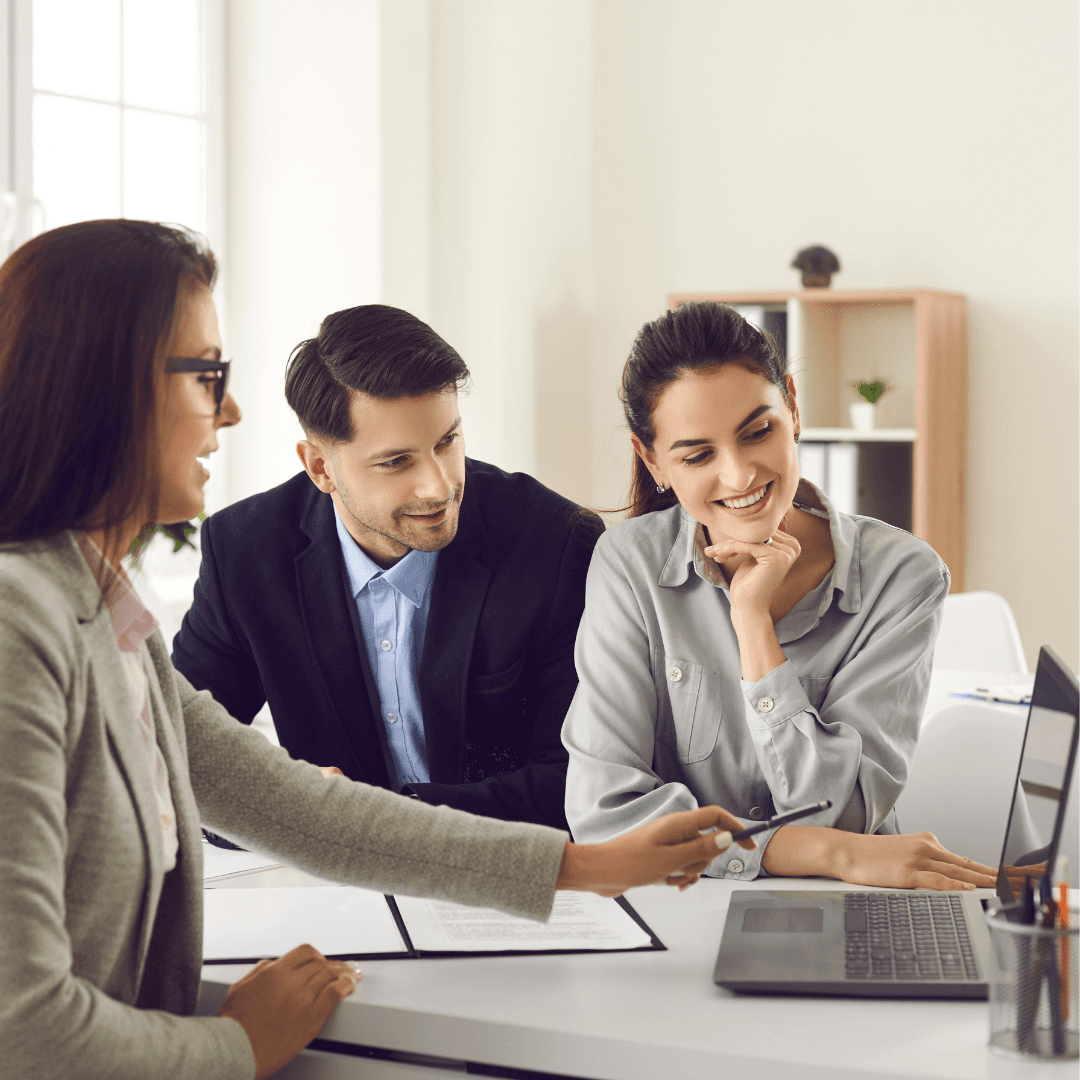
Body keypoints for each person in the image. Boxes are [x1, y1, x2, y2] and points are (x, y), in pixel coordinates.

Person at [0, 222, 755, 1080]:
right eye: (208, 375)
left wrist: (582, 866)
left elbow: (297, 809)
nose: (232, 409)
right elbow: (24, 1033)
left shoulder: (103, 615)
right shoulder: (21, 624)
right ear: (106, 392)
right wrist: (237, 1048)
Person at [562, 300, 1000, 892]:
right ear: (653, 460)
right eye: (697, 455)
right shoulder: (628, 564)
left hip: (850, 905)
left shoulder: (903, 575)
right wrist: (825, 852)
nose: (740, 475)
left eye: (758, 431)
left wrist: (753, 625)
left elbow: (844, 815)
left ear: (791, 406)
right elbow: (605, 817)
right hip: (680, 910)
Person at [172, 304, 599, 830]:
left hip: (508, 874)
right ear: (320, 467)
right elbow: (176, 759)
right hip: (333, 889)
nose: (439, 486)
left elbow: (581, 779)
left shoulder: (554, 540)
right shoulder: (244, 553)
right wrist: (287, 801)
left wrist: (379, 820)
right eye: (396, 462)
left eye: (448, 441)